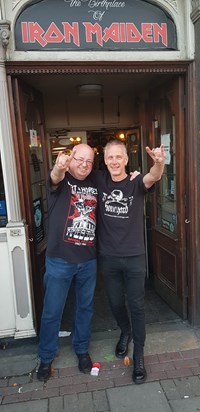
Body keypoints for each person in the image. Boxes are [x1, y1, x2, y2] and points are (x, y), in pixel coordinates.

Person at [92, 140, 165, 385]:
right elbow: (75, 172)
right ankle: (125, 331)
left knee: (137, 307)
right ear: (105, 160)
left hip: (134, 257)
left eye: (118, 157)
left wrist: (159, 163)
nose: (114, 161)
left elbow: (153, 177)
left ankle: (139, 356)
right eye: (110, 157)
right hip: (109, 257)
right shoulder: (99, 180)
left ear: (126, 159)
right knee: (114, 303)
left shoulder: (135, 181)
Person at [37, 144, 98, 381]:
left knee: (85, 308)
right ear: (70, 159)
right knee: (52, 311)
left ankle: (82, 349)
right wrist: (58, 169)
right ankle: (46, 356)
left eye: (89, 161)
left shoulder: (95, 182)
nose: (84, 164)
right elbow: (54, 177)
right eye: (79, 159)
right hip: (59, 260)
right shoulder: (61, 182)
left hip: (88, 261)